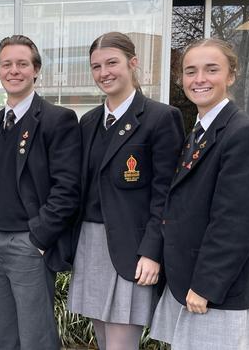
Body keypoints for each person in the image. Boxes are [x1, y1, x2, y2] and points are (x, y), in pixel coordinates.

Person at [149, 38, 249, 350]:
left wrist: (205, 286)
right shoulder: (200, 131)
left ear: (231, 75)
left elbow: (236, 222)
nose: (199, 79)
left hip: (215, 293)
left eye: (211, 69)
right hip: (188, 282)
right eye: (190, 71)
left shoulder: (244, 132)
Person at [67, 31, 184, 350]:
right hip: (91, 243)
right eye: (96, 66)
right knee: (104, 338)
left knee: (121, 343)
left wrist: (152, 251)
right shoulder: (89, 122)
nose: (104, 72)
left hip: (131, 247)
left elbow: (167, 193)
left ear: (133, 63)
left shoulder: (161, 118)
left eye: (112, 63)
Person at [0, 34, 81, 350]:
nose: (14, 70)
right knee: (7, 336)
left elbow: (68, 188)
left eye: (22, 63)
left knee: (36, 337)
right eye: (6, 64)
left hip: (28, 242)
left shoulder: (56, 119)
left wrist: (39, 238)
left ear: (36, 70)